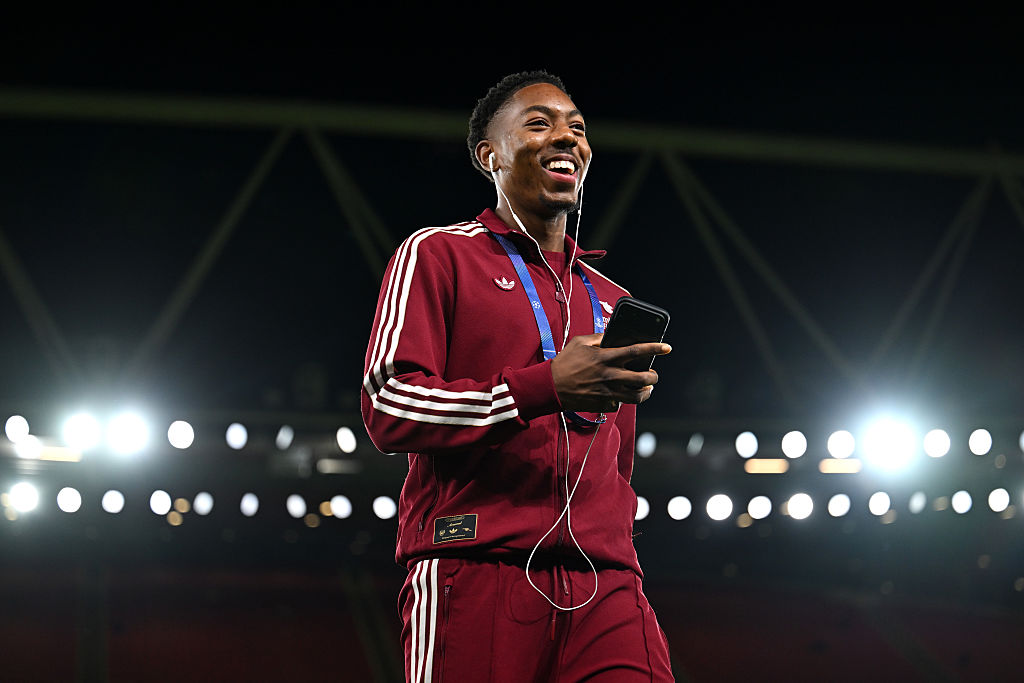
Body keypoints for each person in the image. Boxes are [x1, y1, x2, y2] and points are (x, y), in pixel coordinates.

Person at [361, 70, 674, 682]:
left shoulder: (609, 297)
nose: (567, 138)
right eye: (539, 123)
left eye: (577, 129)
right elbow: (390, 405)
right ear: (490, 155)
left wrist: (618, 541)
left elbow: (619, 460)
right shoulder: (438, 253)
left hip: (604, 581)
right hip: (474, 562)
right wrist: (546, 386)